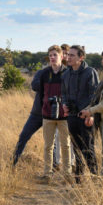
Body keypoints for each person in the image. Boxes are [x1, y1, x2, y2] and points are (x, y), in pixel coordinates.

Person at [62, 45, 99, 181]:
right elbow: (64, 93)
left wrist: (91, 114)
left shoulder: (90, 72)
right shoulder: (66, 74)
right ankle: (78, 179)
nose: (68, 58)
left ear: (81, 57)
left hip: (86, 116)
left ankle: (95, 178)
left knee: (88, 147)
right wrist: (64, 105)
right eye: (68, 55)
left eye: (72, 55)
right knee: (76, 147)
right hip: (72, 116)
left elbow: (95, 95)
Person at [36, 45, 71, 181]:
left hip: (64, 115)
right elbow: (40, 94)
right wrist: (42, 109)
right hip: (47, 114)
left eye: (55, 55)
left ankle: (67, 174)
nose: (52, 57)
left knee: (65, 145)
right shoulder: (44, 73)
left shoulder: (67, 72)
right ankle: (47, 174)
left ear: (62, 57)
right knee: (48, 146)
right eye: (50, 55)